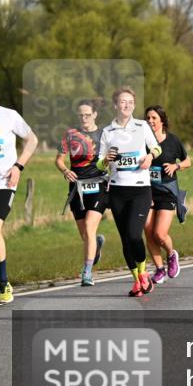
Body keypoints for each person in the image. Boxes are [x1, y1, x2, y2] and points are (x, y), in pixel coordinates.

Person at [98, 88, 161, 297]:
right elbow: (99, 164)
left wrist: (150, 157)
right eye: (122, 102)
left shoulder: (142, 126)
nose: (126, 105)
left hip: (140, 190)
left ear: (134, 105)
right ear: (115, 105)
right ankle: (137, 281)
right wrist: (107, 159)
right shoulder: (108, 132)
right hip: (117, 191)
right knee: (125, 239)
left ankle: (144, 274)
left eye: (130, 102)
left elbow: (157, 148)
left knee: (135, 234)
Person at [0, 84, 38, 306]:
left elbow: (32, 140)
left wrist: (19, 166)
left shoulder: (9, 116)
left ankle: (2, 283)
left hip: (3, 183)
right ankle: (0, 285)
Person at [55, 99, 107, 286]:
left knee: (90, 226)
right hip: (77, 187)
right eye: (80, 115)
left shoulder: (104, 135)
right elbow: (59, 160)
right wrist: (65, 171)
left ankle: (87, 272)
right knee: (86, 234)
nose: (84, 118)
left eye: (87, 114)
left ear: (95, 114)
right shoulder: (70, 134)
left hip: (98, 185)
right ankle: (97, 247)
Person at [143, 105, 191, 283]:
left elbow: (188, 161)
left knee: (160, 234)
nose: (150, 121)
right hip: (147, 192)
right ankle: (159, 269)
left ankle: (171, 255)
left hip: (167, 192)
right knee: (148, 232)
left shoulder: (172, 141)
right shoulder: (142, 141)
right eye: (148, 118)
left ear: (162, 120)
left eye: (154, 118)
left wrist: (176, 166)